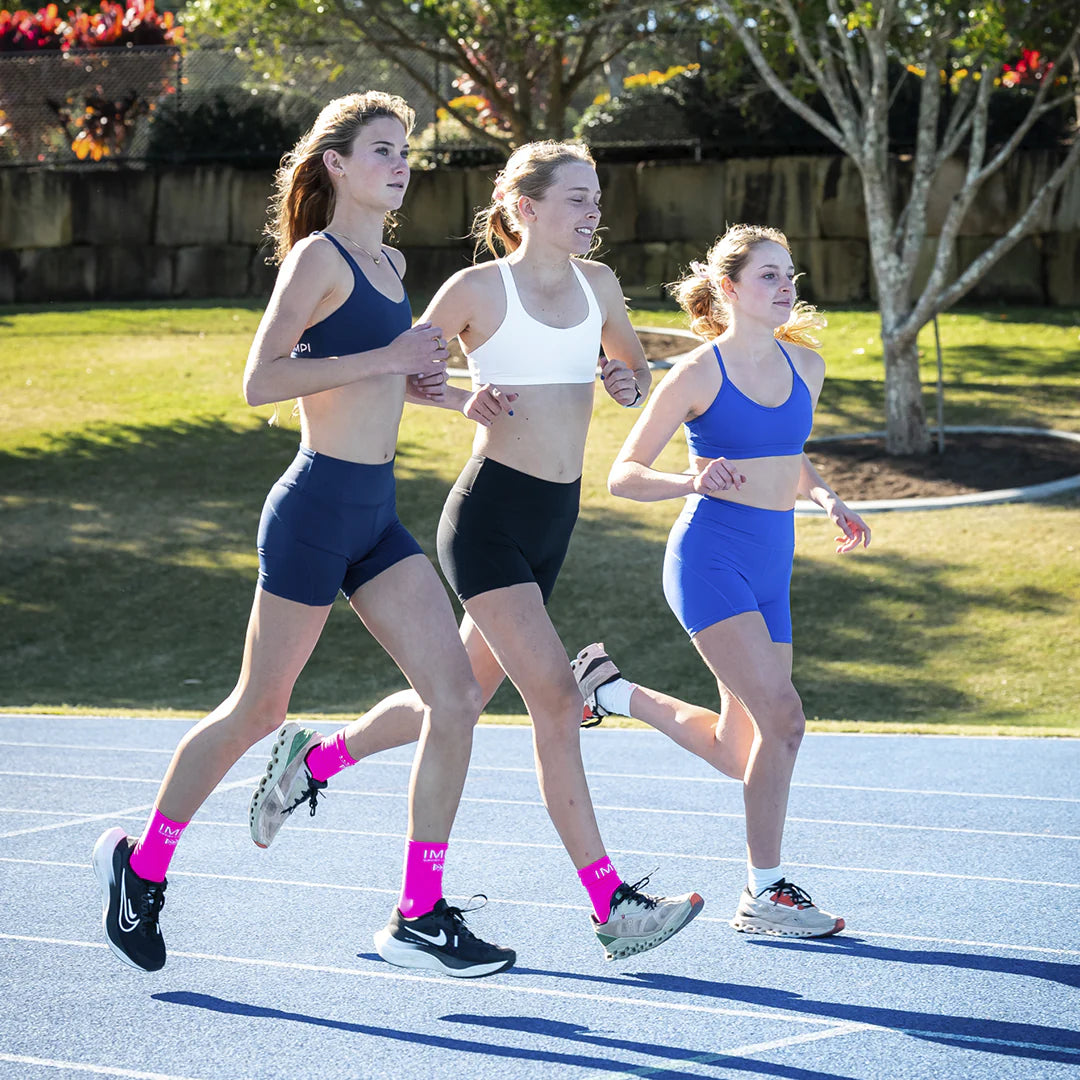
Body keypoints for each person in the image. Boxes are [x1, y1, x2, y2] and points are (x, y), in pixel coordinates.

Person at [91, 91, 516, 979]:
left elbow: (377, 379)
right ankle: (144, 866)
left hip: (378, 514)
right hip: (316, 508)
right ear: (336, 163)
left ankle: (420, 910)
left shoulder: (392, 264)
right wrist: (392, 359)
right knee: (259, 708)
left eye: (405, 151)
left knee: (456, 695)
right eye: (382, 150)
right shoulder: (319, 259)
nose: (400, 164)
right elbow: (261, 379)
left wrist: (447, 392)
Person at [249, 140, 704, 962]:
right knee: (559, 701)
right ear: (525, 207)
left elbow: (632, 365)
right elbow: (406, 371)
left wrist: (624, 378)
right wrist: (463, 394)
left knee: (447, 700)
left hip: (553, 522)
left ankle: (316, 762)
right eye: (577, 198)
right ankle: (611, 904)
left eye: (596, 199)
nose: (593, 212)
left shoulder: (599, 285)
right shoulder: (473, 290)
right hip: (489, 516)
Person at [572, 224, 871, 939]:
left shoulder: (809, 367)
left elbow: (786, 455)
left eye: (790, 273)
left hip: (774, 566)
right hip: (710, 560)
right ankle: (764, 892)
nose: (786, 286)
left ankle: (610, 691)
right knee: (786, 720)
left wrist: (828, 497)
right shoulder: (699, 373)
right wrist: (688, 477)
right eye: (769, 275)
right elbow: (622, 475)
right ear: (730, 289)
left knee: (746, 751)